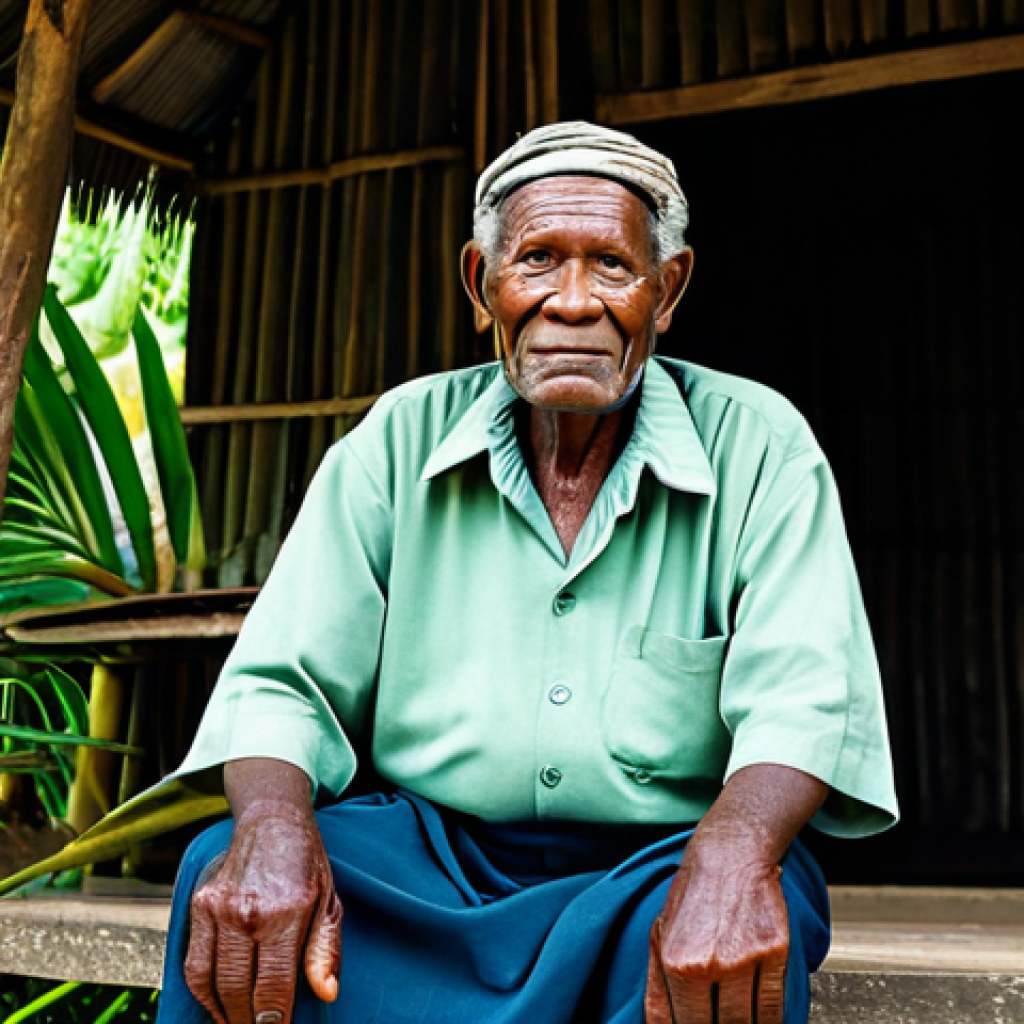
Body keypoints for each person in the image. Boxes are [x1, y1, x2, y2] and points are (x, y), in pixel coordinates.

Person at [156, 122, 898, 1024]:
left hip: (655, 870)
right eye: (539, 260)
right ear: (483, 285)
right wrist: (272, 829)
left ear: (667, 292)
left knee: (735, 920)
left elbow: (803, 698)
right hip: (427, 867)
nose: (574, 302)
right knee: (231, 868)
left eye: (614, 268)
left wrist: (736, 851)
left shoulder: (760, 444)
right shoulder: (398, 440)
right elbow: (281, 684)